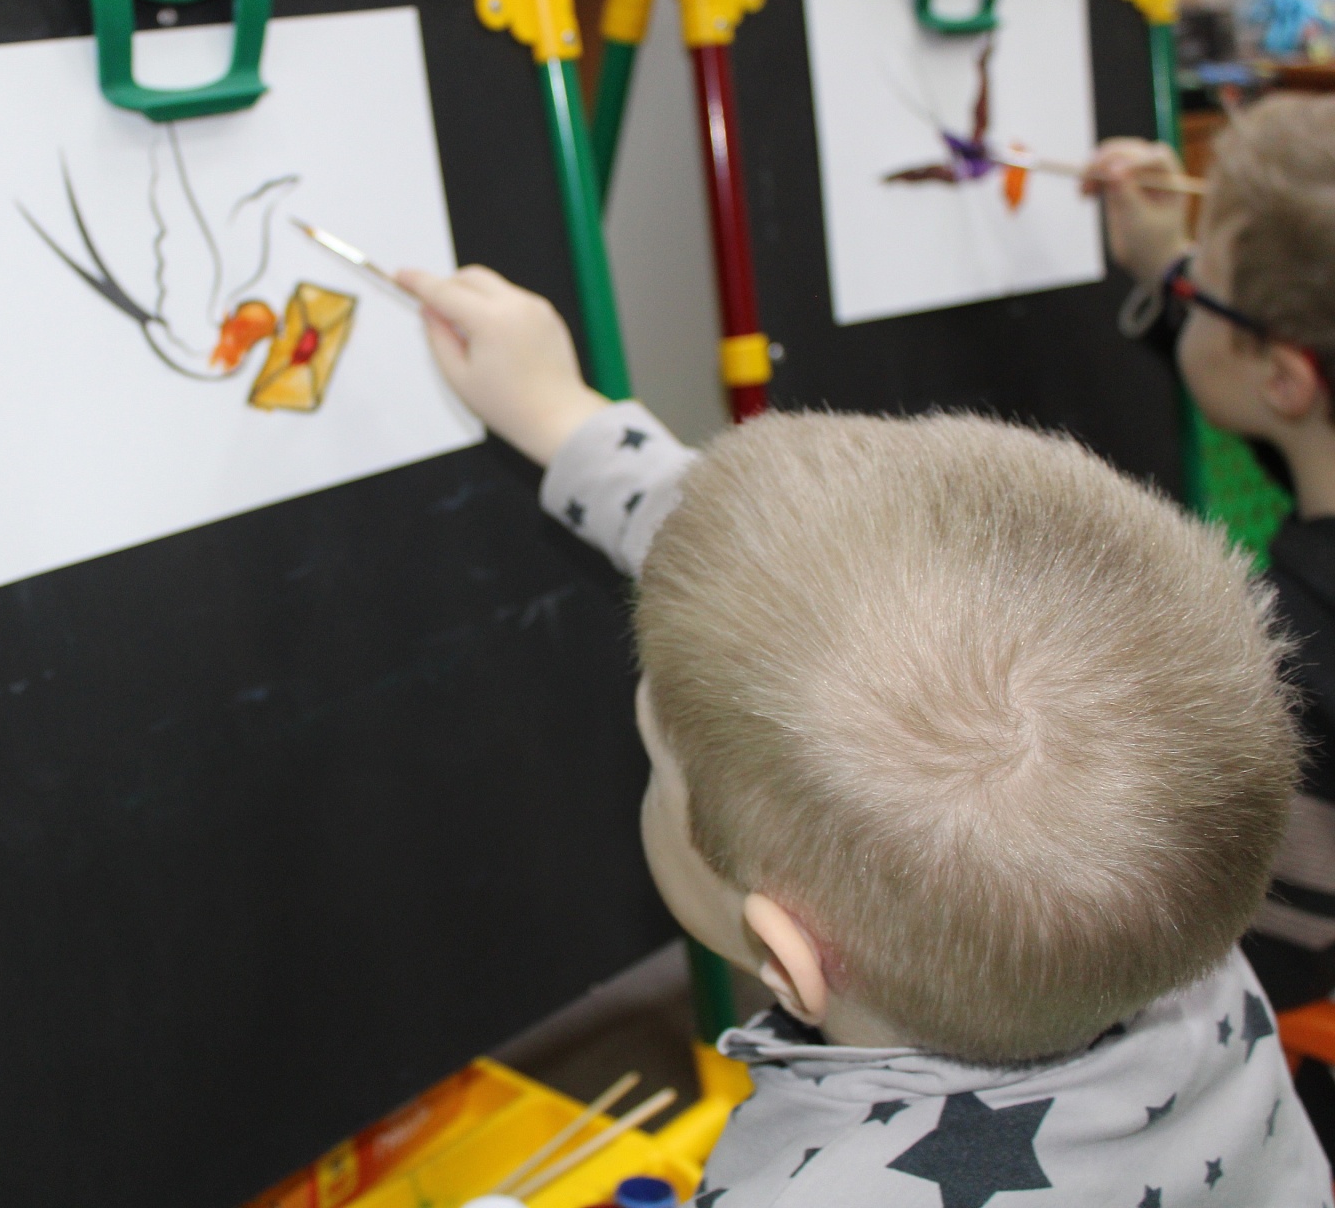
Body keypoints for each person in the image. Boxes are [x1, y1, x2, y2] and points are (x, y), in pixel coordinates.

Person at [396, 263, 1329, 1204]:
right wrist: (561, 416)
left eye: (657, 763)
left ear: (787, 955)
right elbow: (792, 591)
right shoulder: (1159, 906)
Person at [1087, 95, 1335, 1028]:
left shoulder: (1294, 660)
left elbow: (1259, 968)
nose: (1187, 289)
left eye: (1205, 285)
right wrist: (1169, 268)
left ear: (1286, 376)